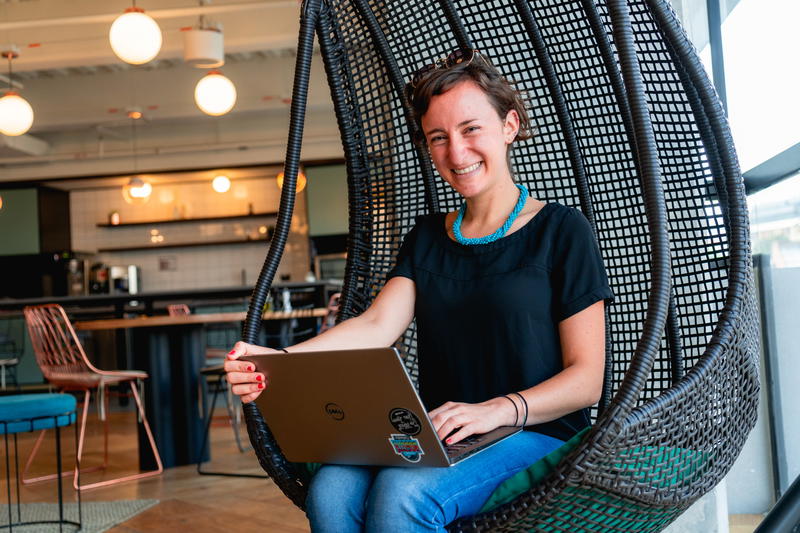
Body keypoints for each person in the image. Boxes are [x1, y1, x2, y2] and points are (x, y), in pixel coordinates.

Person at [224, 49, 613, 532]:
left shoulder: (561, 230)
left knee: (403, 495)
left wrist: (497, 408)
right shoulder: (427, 237)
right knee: (330, 491)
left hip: (535, 430)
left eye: (471, 129)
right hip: (436, 432)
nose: (456, 152)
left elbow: (587, 379)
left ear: (509, 125)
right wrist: (280, 361)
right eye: (438, 138)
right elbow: (376, 324)